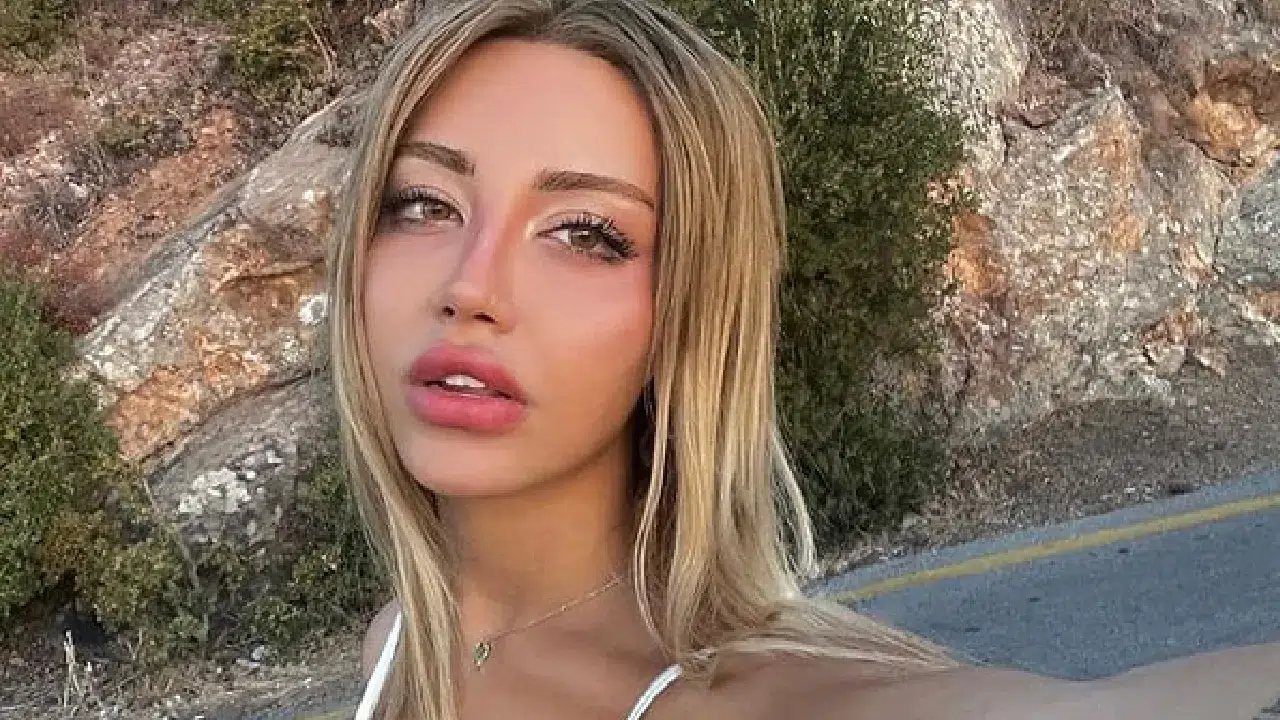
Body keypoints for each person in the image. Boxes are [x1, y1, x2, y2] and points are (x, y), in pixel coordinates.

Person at [322, 0, 1280, 717]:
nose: (471, 284)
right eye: (423, 205)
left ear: (689, 311)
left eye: (585, 233)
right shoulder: (398, 646)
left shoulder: (760, 701)